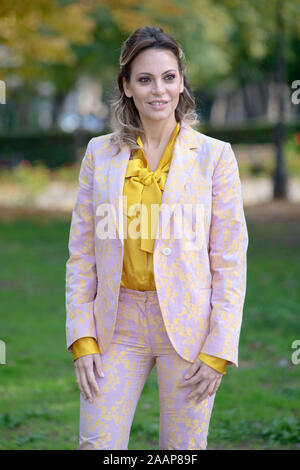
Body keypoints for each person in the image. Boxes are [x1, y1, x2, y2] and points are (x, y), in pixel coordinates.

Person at [65, 26, 249, 450]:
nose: (158, 90)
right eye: (144, 79)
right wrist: (82, 338)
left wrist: (219, 348)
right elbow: (81, 255)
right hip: (116, 325)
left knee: (181, 453)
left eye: (168, 77)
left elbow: (229, 259)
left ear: (181, 81)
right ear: (127, 86)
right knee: (98, 446)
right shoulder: (99, 154)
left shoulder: (215, 157)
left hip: (189, 330)